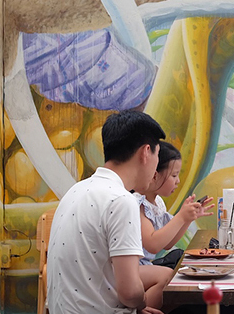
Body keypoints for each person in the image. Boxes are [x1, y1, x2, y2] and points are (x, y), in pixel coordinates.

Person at [47, 110, 171, 314]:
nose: (156, 171)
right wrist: (141, 305)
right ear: (145, 152)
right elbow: (130, 293)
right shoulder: (122, 201)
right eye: (158, 155)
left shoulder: (76, 191)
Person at [136, 141, 213, 266]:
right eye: (174, 175)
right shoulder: (138, 204)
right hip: (134, 268)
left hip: (146, 265)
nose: (178, 181)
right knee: (166, 276)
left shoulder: (158, 202)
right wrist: (181, 216)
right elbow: (153, 245)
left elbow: (167, 244)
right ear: (155, 175)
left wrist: (187, 219)